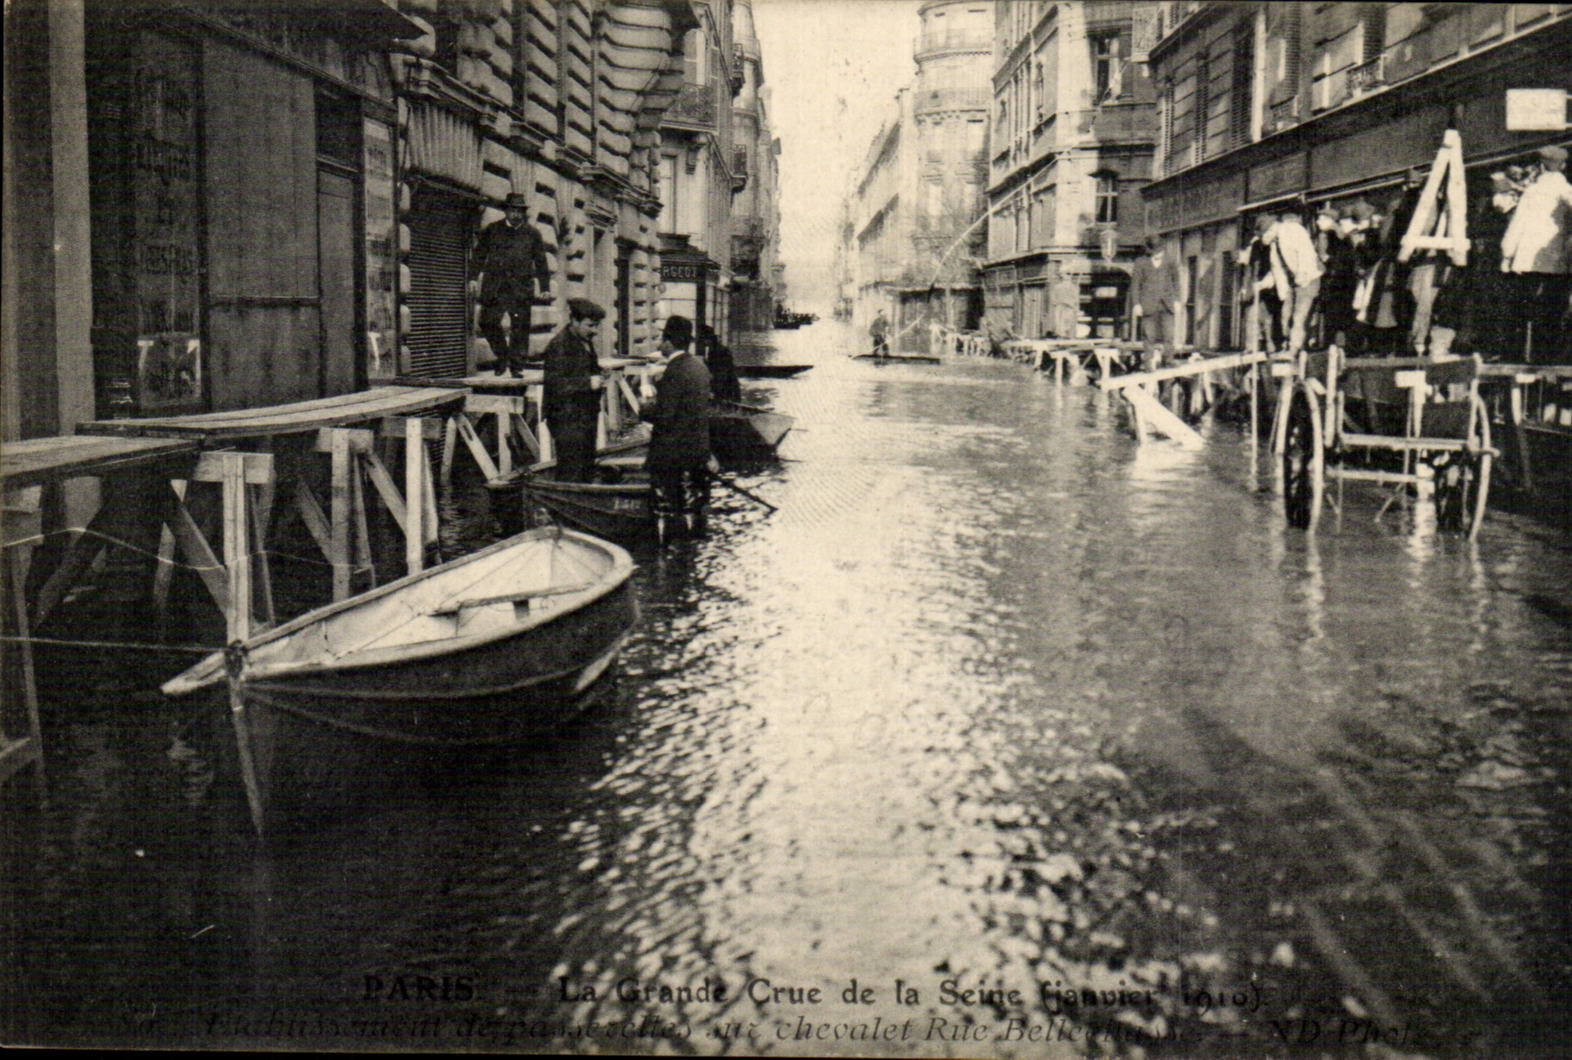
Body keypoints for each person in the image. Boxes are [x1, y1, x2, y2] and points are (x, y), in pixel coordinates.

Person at [642, 316, 712, 538]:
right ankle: (693, 552)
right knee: (694, 506)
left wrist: (644, 407)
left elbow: (665, 416)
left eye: (662, 339)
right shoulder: (699, 367)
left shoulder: (674, 371)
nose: (660, 344)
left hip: (672, 453)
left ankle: (671, 556)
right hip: (697, 450)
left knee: (670, 508)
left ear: (669, 342)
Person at [1501, 144, 1572, 361]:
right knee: (1550, 311)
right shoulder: (1564, 188)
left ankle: (1517, 356)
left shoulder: (1531, 191)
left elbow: (1517, 224)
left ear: (1541, 166)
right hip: (1553, 261)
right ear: (1563, 165)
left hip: (1524, 261)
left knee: (1522, 309)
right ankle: (1545, 359)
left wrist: (1507, 255)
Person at [476, 192, 552, 376]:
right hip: (496, 288)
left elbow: (541, 262)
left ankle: (517, 367)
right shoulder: (492, 230)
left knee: (520, 328)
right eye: (512, 210)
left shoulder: (532, 234)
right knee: (487, 322)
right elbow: (479, 254)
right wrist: (472, 277)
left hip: (520, 288)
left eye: (520, 211)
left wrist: (545, 288)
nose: (516, 214)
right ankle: (502, 356)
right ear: (506, 211)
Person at [541, 297, 605, 482]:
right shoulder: (559, 345)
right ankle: (566, 505)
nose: (595, 331)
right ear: (574, 321)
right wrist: (588, 383)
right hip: (566, 419)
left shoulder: (584, 340)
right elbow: (556, 384)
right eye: (590, 325)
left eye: (597, 326)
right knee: (571, 470)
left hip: (585, 416)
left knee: (586, 466)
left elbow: (584, 370)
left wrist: (600, 376)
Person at [1262, 208, 1323, 356]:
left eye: (1266, 233)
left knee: (1299, 317)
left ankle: (1294, 349)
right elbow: (1277, 270)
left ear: (1272, 227)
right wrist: (1280, 289)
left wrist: (1302, 277)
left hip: (1309, 278)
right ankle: (1288, 345)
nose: (1265, 237)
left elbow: (1306, 253)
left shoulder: (1293, 230)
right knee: (1285, 315)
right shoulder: (1274, 245)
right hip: (1293, 283)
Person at [1129, 237, 1176, 358]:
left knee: (1169, 335)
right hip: (1148, 305)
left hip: (1167, 304)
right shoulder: (1141, 262)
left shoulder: (1170, 261)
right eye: (1155, 252)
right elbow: (1135, 285)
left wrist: (1178, 300)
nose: (1158, 254)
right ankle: (1148, 363)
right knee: (1149, 336)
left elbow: (1177, 281)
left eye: (1160, 251)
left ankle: (1169, 360)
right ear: (1150, 251)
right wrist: (1136, 304)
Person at [698, 323, 742, 403]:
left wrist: (717, 393)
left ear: (708, 339)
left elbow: (721, 374)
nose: (703, 343)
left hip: (727, 388)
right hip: (730, 386)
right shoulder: (717, 348)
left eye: (703, 340)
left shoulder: (716, 351)